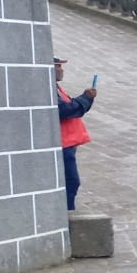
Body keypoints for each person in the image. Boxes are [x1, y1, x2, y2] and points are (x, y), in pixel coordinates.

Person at [53, 57, 96, 211]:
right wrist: (85, 98)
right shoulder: (50, 89)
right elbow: (65, 110)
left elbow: (74, 109)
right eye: (58, 67)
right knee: (70, 181)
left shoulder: (56, 88)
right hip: (62, 144)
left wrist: (87, 100)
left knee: (70, 181)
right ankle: (67, 213)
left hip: (68, 144)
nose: (61, 70)